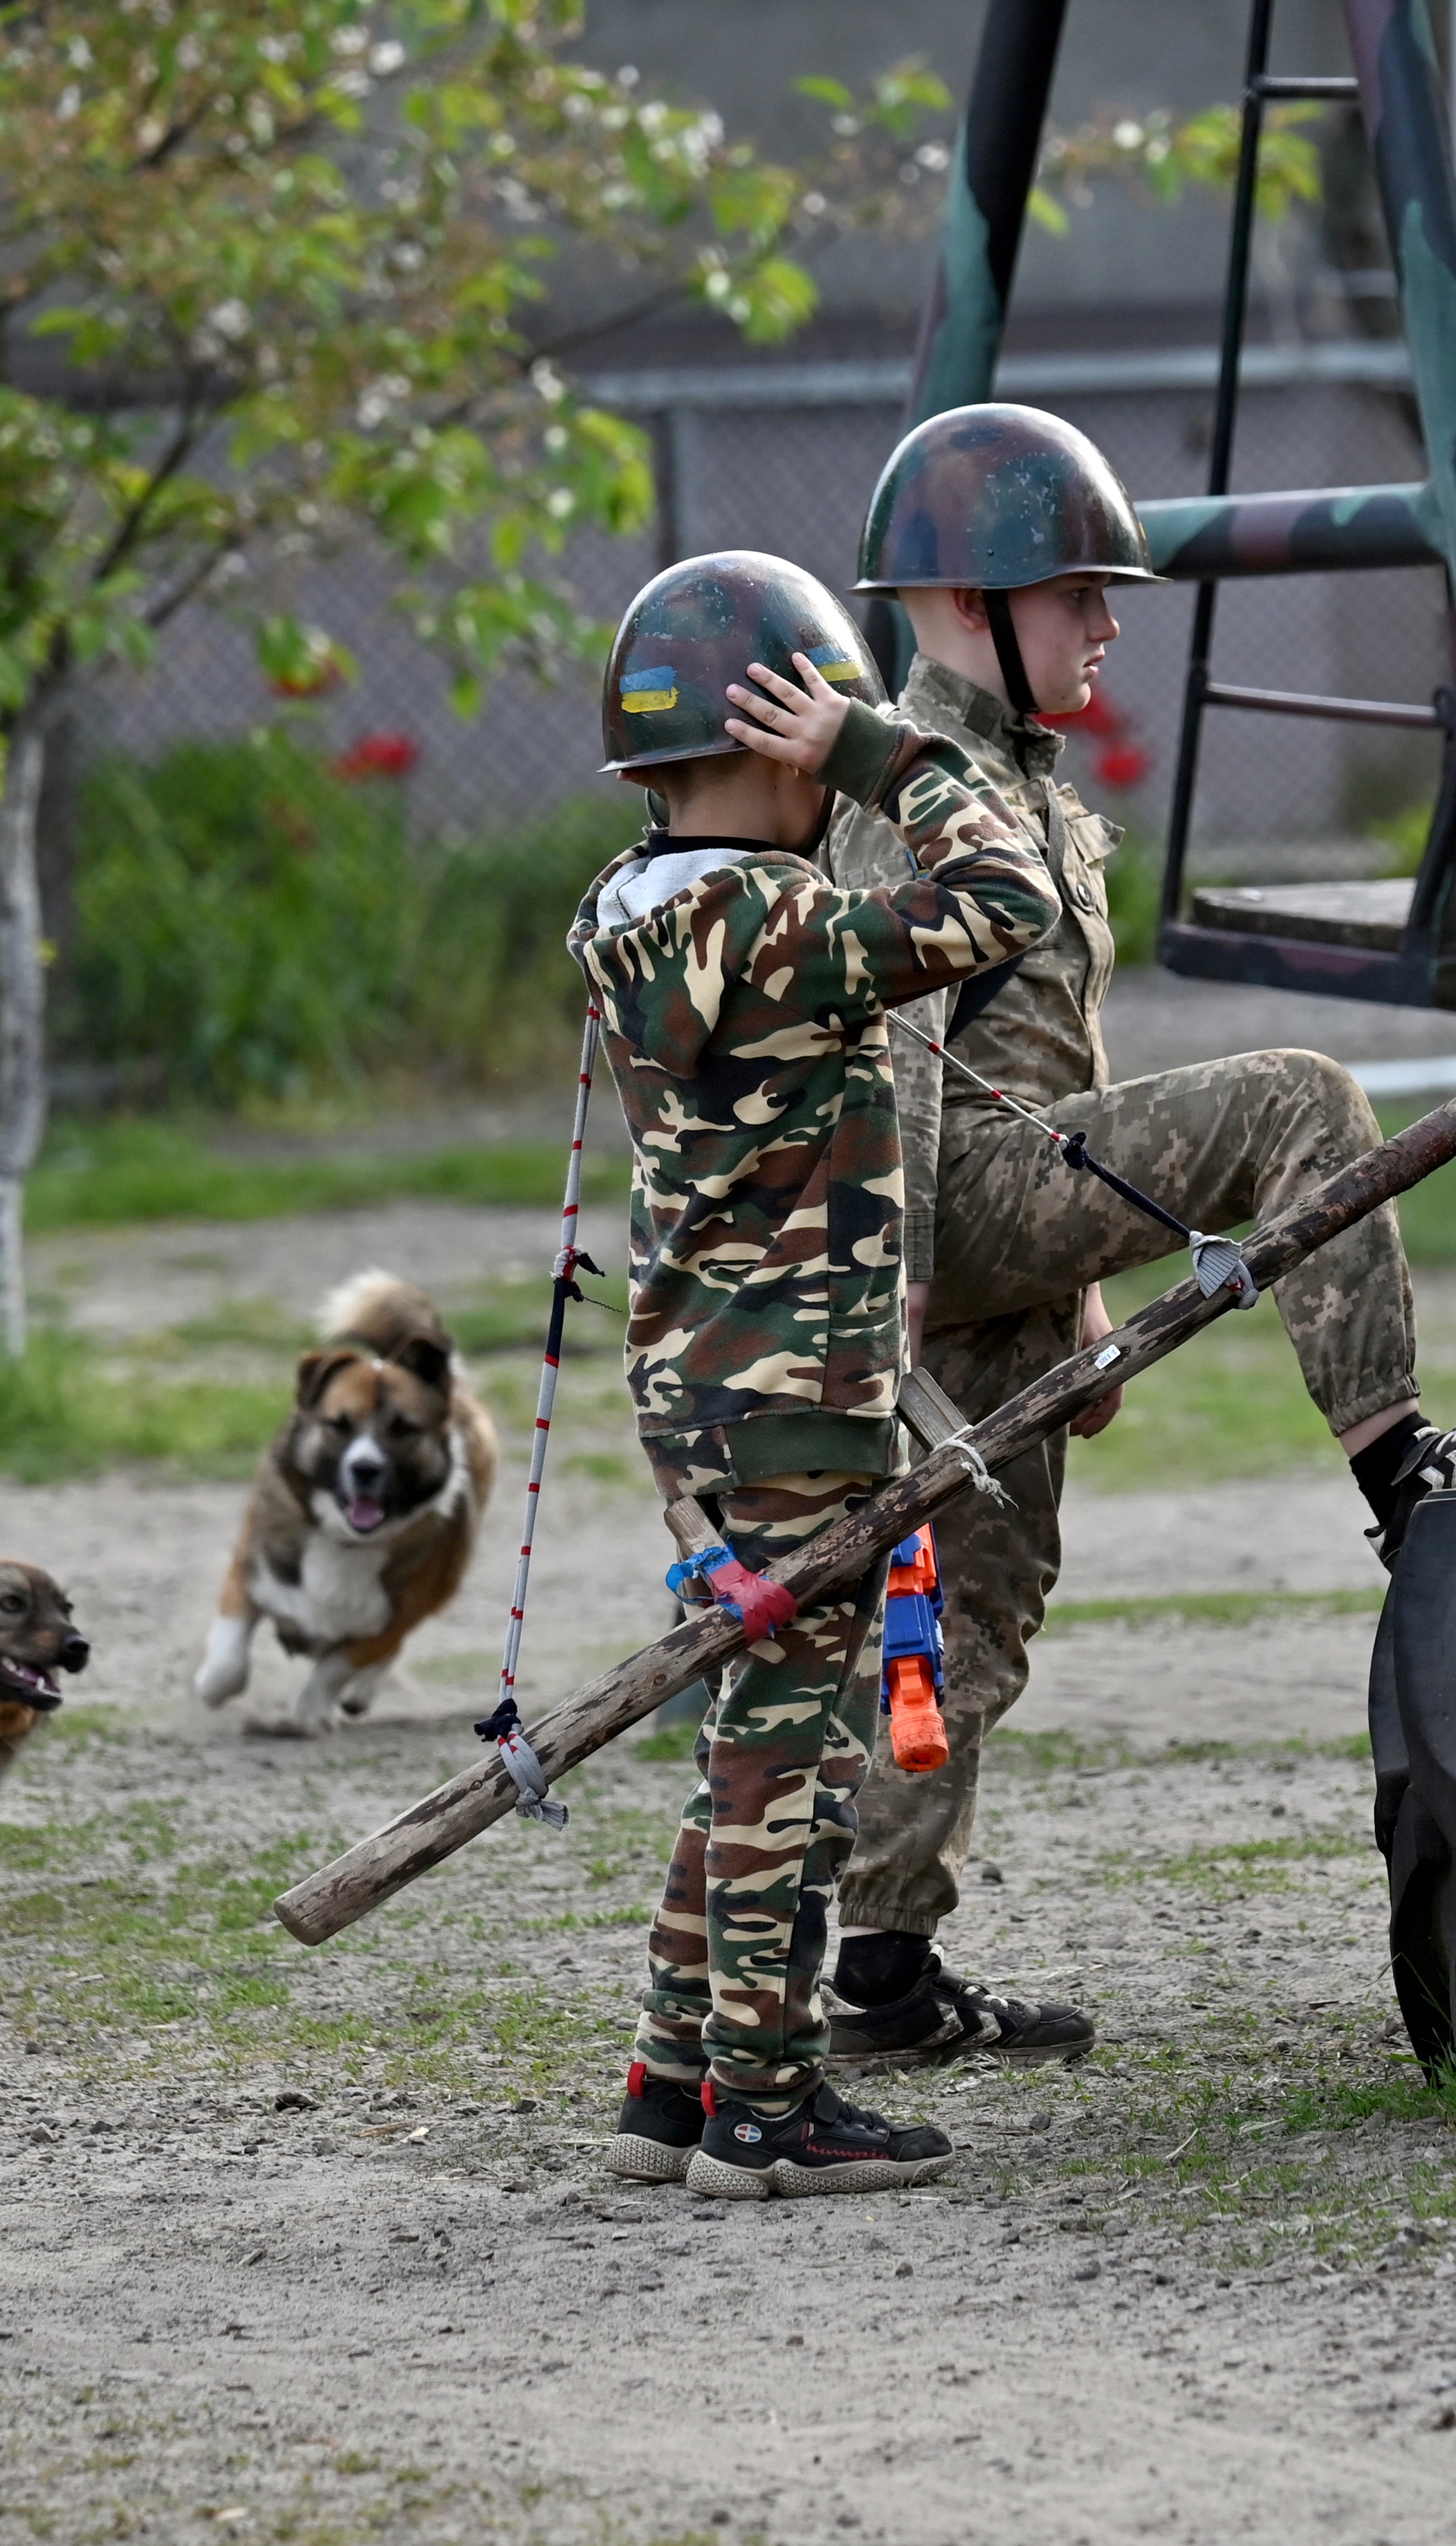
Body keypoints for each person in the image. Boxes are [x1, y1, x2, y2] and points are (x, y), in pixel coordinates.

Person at [818, 403, 1456, 2073]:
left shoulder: (1023, 779)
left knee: (967, 1607)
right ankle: (1405, 1482)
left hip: (1010, 1209)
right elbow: (893, 1041)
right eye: (1078, 593)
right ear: (971, 604)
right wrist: (899, 1285)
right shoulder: (906, 780)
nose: (1105, 624)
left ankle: (879, 1966)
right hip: (938, 1204)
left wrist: (1080, 1283)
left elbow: (1045, 1060)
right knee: (1305, 1098)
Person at [571, 549, 1062, 2199]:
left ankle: (674, 2072)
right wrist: (883, 753)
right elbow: (1011, 898)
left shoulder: (628, 913)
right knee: (795, 1752)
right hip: (794, 1384)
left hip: (698, 1386)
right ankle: (768, 2106)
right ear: (783, 741)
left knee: (747, 1726)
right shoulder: (777, 917)